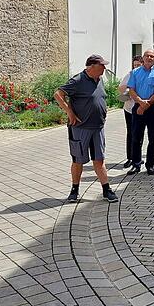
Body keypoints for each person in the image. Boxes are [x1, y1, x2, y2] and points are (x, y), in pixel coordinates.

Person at [54, 54, 118, 203]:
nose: (104, 68)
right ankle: (74, 190)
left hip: (98, 128)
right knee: (78, 160)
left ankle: (106, 190)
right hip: (80, 128)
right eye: (101, 65)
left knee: (99, 159)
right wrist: (69, 112)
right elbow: (58, 94)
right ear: (91, 67)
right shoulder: (78, 80)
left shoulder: (99, 79)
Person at [127, 50, 154, 175]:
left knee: (152, 138)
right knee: (136, 137)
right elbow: (131, 90)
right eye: (147, 56)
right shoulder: (135, 72)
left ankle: (150, 164)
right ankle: (136, 164)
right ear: (143, 58)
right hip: (137, 107)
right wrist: (140, 102)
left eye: (152, 56)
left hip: (153, 108)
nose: (149, 58)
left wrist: (146, 105)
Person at [119, 56, 143, 168]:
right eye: (135, 65)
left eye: (138, 65)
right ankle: (130, 158)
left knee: (139, 133)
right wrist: (129, 87)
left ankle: (138, 157)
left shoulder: (145, 75)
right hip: (129, 108)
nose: (136, 67)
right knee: (130, 133)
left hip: (141, 108)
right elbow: (120, 88)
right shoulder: (130, 74)